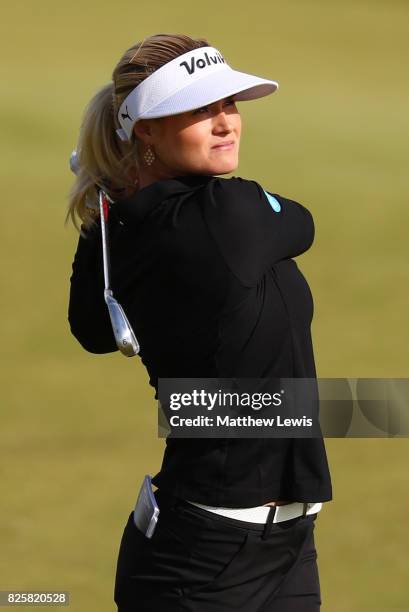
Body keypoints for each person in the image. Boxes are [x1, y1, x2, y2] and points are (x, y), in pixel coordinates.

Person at [66, 33, 332, 612]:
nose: (225, 123)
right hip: (205, 558)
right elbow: (304, 224)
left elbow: (89, 327)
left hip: (283, 544)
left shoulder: (121, 231)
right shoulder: (228, 211)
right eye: (199, 110)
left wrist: (110, 195)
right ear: (145, 129)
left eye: (228, 104)